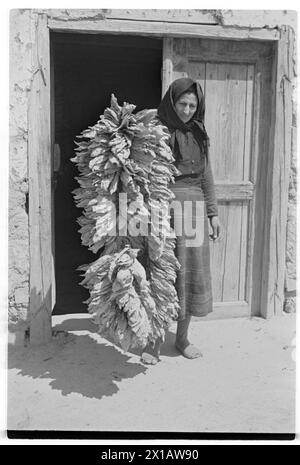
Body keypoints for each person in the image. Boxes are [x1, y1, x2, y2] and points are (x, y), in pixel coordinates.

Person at [141, 77, 221, 364]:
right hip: (162, 207)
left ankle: (182, 338)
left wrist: (212, 213)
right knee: (161, 273)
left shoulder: (199, 133)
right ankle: (153, 342)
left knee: (190, 273)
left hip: (195, 209)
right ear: (171, 103)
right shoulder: (156, 132)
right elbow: (142, 172)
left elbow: (206, 175)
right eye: (182, 104)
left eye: (192, 105)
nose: (187, 110)